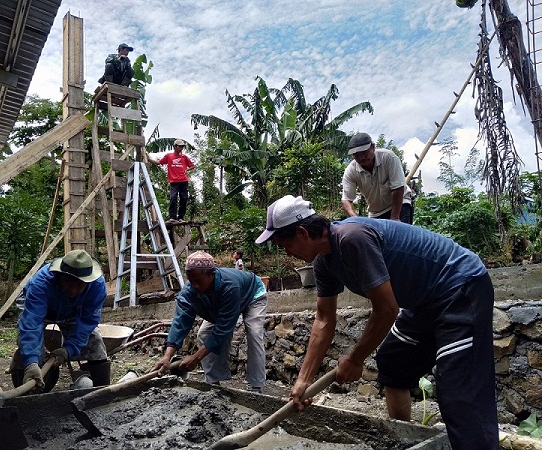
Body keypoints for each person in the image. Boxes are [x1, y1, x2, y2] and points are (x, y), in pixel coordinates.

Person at [255, 195, 497, 450]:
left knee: (459, 390)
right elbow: (324, 319)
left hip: (459, 287)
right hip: (422, 301)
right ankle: (404, 440)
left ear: (302, 233)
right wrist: (303, 379)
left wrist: (356, 358)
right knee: (393, 363)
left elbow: (386, 309)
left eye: (285, 244)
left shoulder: (352, 238)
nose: (287, 253)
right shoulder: (323, 263)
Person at [153, 250, 267, 393]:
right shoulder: (189, 292)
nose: (194, 286)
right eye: (191, 280)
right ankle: (214, 383)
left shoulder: (229, 286)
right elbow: (180, 323)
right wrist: (167, 356)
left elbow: (222, 329)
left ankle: (256, 387)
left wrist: (195, 357)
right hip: (220, 305)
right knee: (204, 333)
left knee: (254, 333)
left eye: (198, 281)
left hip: (252, 294)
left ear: (212, 275)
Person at [10, 249, 110, 391]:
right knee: (29, 347)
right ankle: (28, 379)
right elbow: (32, 324)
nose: (74, 290)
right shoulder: (40, 284)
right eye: (69, 283)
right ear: (59, 276)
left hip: (72, 309)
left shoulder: (97, 286)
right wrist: (31, 361)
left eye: (80, 285)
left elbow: (87, 321)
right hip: (37, 306)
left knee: (95, 341)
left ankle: (102, 390)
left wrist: (68, 349)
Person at [342, 132, 413, 223]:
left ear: (373, 147)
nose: (361, 158)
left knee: (401, 235)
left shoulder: (388, 157)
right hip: (375, 213)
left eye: (364, 152)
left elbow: (398, 188)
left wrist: (395, 217)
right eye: (356, 155)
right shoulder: (351, 171)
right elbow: (346, 200)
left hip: (400, 204)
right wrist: (357, 221)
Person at [149, 139, 195, 224]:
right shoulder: (169, 156)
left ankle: (181, 217)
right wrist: (149, 159)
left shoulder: (184, 157)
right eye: (180, 146)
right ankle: (173, 217)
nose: (181, 148)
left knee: (184, 199)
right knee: (173, 198)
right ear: (175, 146)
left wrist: (187, 170)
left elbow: (192, 166)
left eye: (182, 147)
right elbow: (159, 162)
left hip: (184, 181)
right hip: (174, 181)